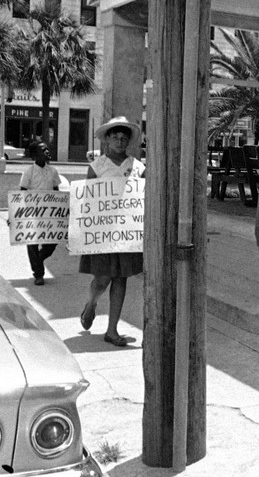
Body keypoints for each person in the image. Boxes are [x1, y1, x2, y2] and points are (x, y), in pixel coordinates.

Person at [79, 116, 146, 347]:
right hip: (103, 232)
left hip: (126, 234)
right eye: (115, 137)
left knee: (121, 278)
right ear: (107, 139)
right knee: (102, 279)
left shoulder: (137, 167)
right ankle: (91, 304)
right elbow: (87, 201)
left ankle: (112, 330)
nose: (120, 141)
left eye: (123, 138)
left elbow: (144, 198)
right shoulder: (97, 167)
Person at [20, 141, 61, 286]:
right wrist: (17, 214)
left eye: (48, 149)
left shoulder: (53, 171)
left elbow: (57, 192)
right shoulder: (29, 172)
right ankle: (38, 273)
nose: (47, 152)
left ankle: (40, 258)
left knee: (52, 242)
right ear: (35, 155)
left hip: (49, 214)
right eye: (43, 150)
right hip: (33, 213)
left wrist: (60, 210)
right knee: (32, 243)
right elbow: (22, 193)